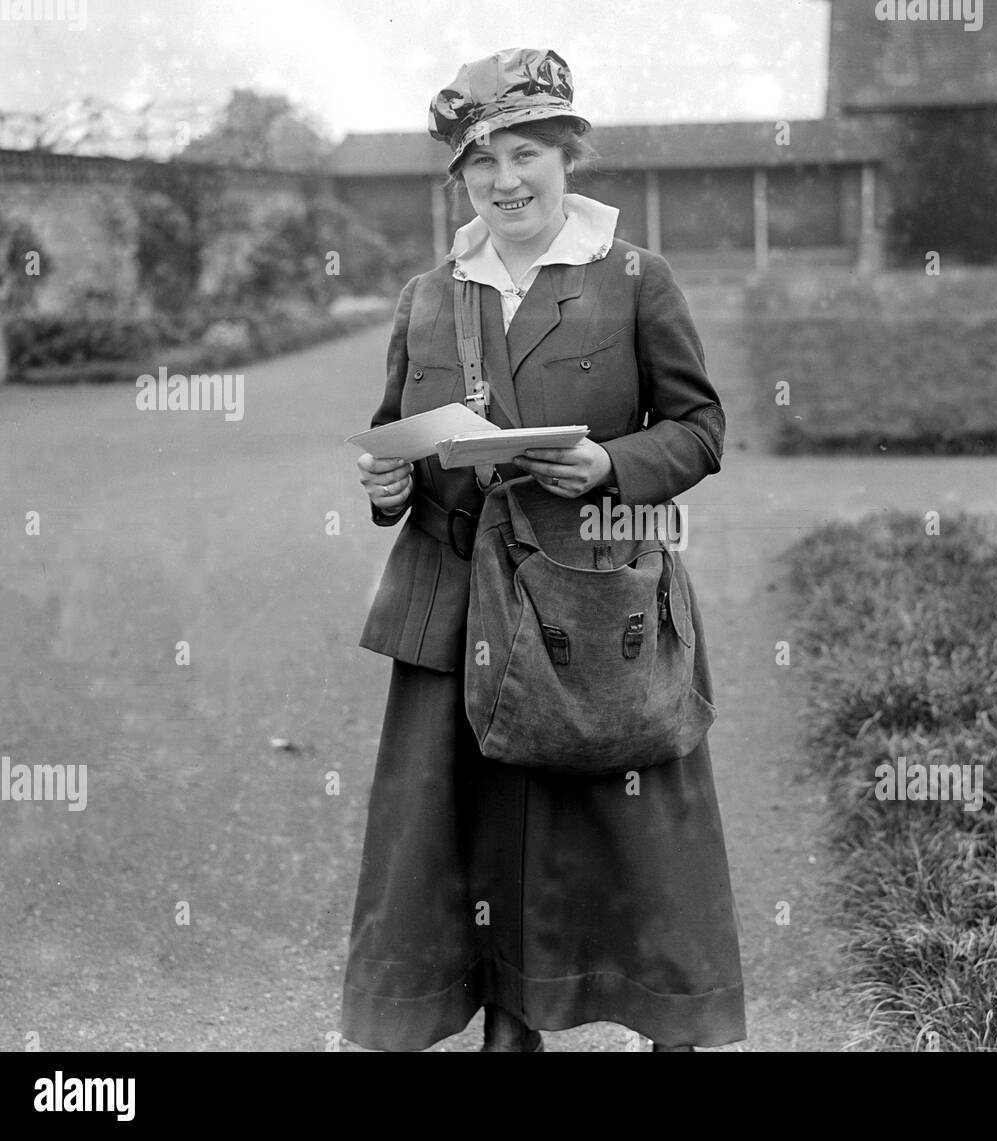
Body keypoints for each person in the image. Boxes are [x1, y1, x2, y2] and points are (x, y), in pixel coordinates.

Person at [343, 47, 745, 1052]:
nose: (505, 180)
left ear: (569, 155)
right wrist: (388, 486)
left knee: (636, 829)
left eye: (526, 153)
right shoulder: (428, 295)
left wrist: (611, 467)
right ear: (459, 178)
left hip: (595, 596)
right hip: (454, 603)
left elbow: (697, 431)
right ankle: (506, 1026)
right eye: (481, 163)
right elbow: (398, 434)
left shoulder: (633, 279)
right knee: (465, 829)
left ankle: (672, 1021)